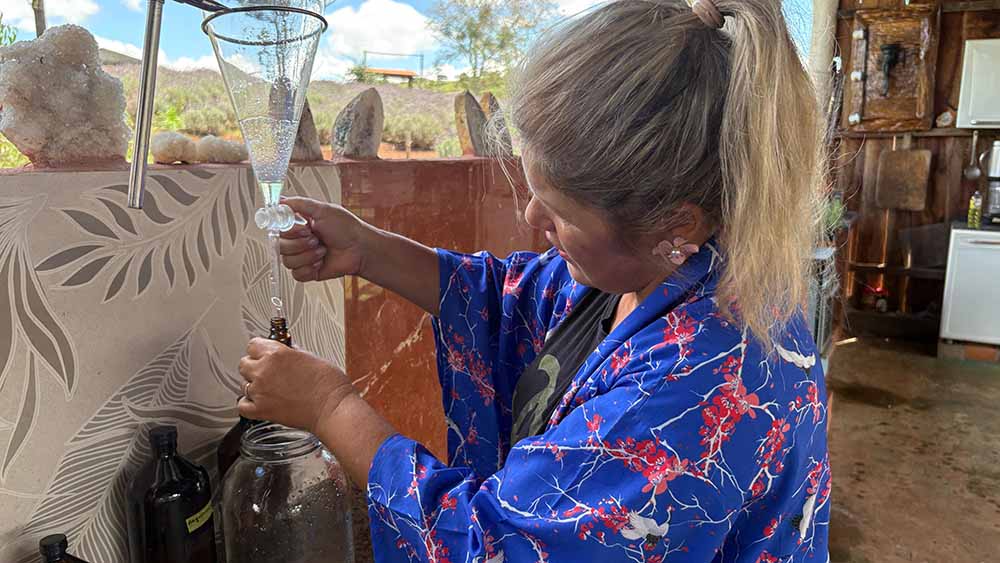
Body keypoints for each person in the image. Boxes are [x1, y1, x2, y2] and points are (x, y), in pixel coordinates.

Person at [237, 0, 830, 561]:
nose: (529, 219)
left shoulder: (693, 389)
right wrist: (368, 249)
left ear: (674, 223)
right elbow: (511, 299)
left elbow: (493, 547)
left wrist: (330, 406)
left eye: (560, 211)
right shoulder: (668, 265)